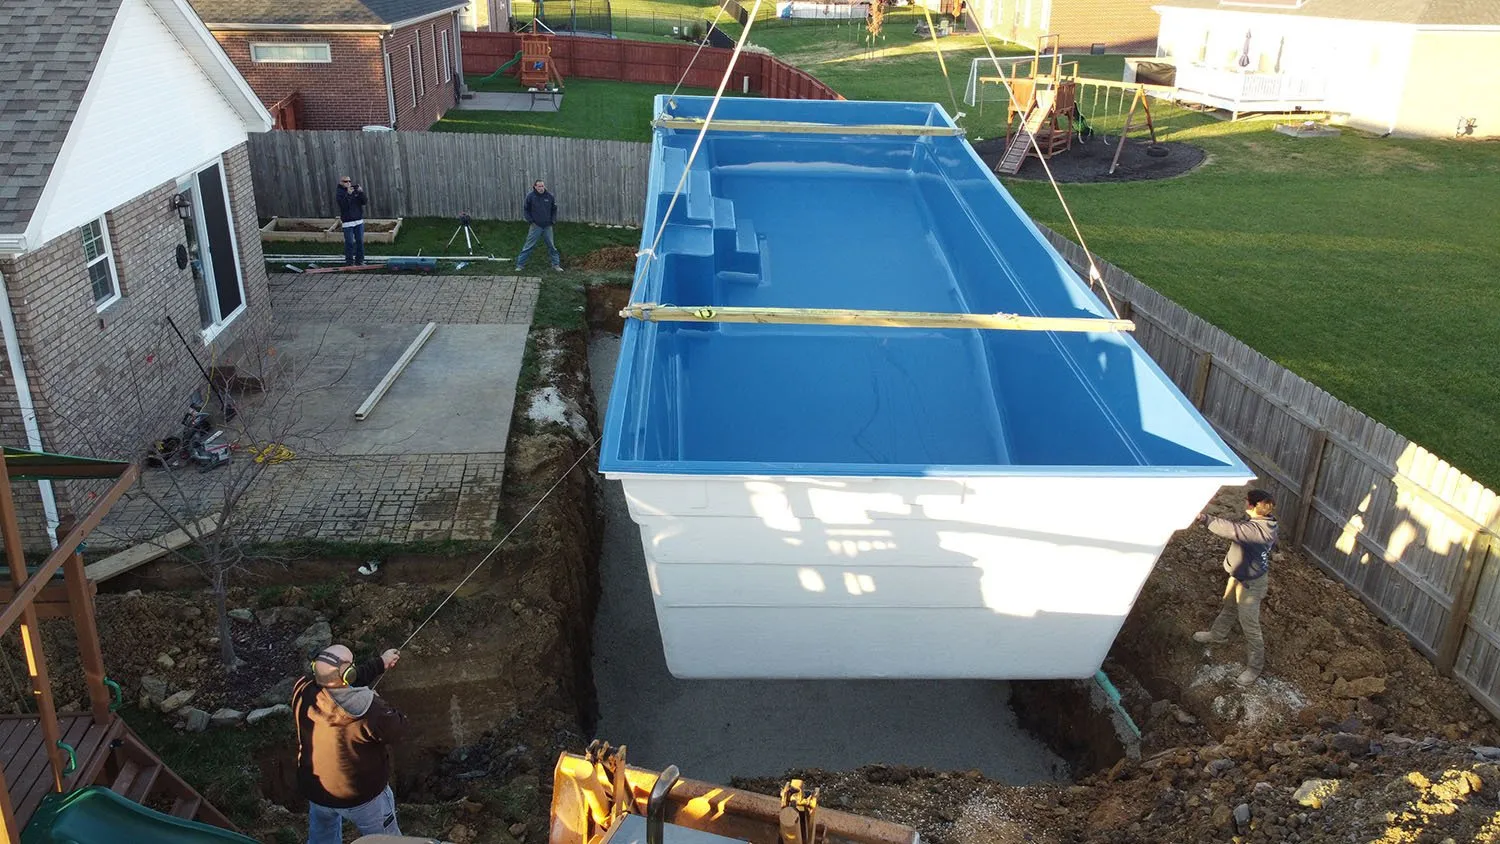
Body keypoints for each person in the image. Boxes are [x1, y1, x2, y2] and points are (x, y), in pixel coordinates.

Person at [294, 644, 407, 844]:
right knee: (386, 841)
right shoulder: (370, 711)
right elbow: (399, 728)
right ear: (349, 675)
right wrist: (378, 703)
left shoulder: (302, 690)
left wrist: (380, 663)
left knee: (322, 840)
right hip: (362, 797)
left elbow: (339, 684)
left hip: (317, 791)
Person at [1193, 489, 1278, 687]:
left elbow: (1230, 529)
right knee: (1229, 606)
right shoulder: (1268, 522)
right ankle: (1218, 635)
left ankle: (1254, 668)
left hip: (1251, 584)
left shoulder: (1253, 531)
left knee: (1250, 625)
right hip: (1240, 575)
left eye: (1246, 501)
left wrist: (1203, 518)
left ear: (1251, 505)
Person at [516, 179, 562, 272]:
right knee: (528, 246)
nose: (541, 188)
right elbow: (526, 210)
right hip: (535, 226)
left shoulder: (549, 196)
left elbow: (554, 209)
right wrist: (530, 221)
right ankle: (520, 265)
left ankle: (556, 265)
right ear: (535, 187)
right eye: (539, 186)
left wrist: (553, 220)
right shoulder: (530, 197)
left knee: (551, 246)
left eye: (542, 186)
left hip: (547, 226)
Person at [336, 176, 367, 266]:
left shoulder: (355, 190)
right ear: (341, 182)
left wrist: (361, 192)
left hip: (358, 220)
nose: (348, 183)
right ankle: (349, 262)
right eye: (345, 181)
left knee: (360, 241)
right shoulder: (340, 193)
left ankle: (359, 261)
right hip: (347, 222)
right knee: (349, 242)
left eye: (349, 181)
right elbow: (343, 205)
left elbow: (364, 202)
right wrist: (348, 195)